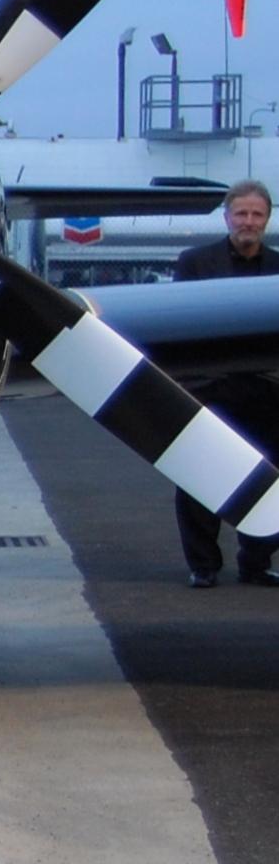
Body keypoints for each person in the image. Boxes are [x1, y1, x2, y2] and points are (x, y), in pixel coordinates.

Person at [175, 181, 279, 586]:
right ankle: (203, 565)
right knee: (200, 477)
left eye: (256, 215)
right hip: (211, 390)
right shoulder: (194, 263)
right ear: (226, 216)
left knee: (270, 481)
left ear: (267, 219)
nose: (248, 222)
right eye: (241, 214)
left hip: (268, 392)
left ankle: (255, 562)